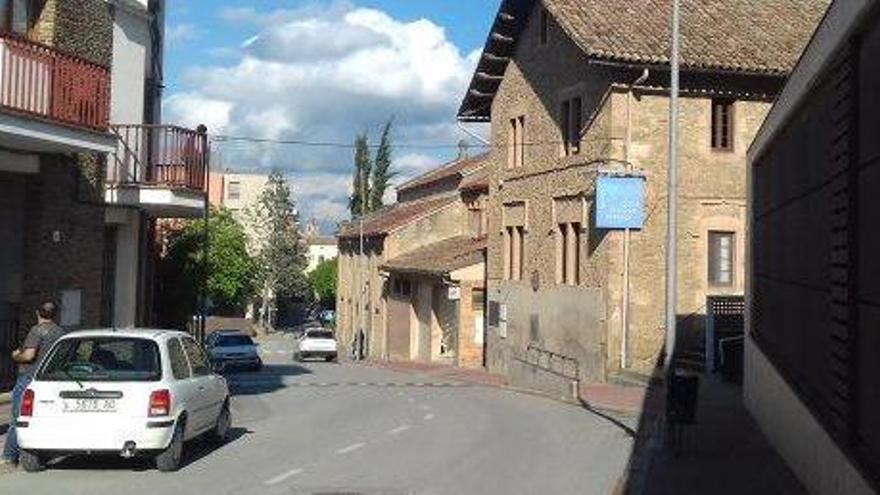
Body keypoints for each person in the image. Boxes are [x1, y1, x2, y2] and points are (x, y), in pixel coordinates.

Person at [2, 302, 65, 466]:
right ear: (55, 314)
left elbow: (29, 356)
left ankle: (10, 455)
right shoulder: (60, 332)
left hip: (29, 378)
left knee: (18, 417)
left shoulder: (37, 330)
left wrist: (16, 355)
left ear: (37, 312)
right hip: (49, 380)